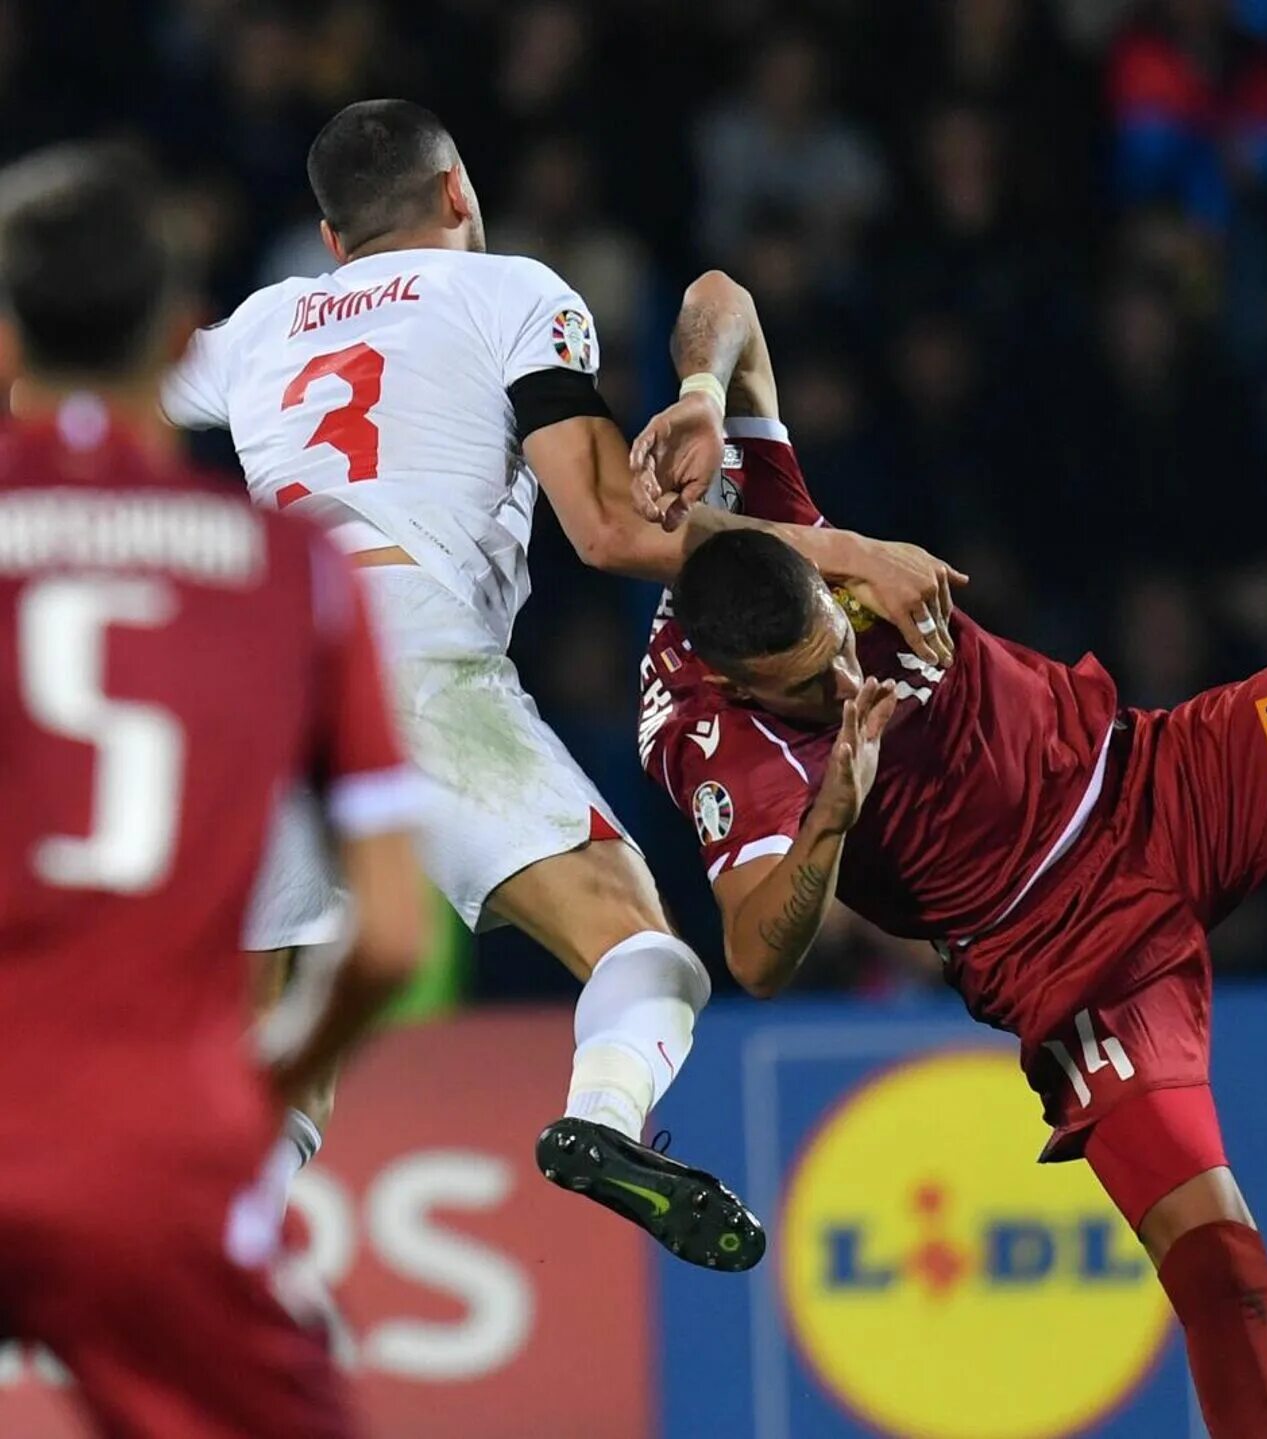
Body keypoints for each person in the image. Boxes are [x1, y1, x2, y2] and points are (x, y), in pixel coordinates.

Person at [632, 272, 1267, 1438]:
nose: (848, 676)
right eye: (811, 686)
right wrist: (835, 808)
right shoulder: (708, 733)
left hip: (1167, 778)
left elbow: (721, 298)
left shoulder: (774, 530)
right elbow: (755, 953)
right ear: (743, 687)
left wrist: (702, 397)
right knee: (1223, 1276)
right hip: (1076, 965)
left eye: (839, 641)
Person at [161, 99, 964, 1269]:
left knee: (280, 1060)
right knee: (643, 948)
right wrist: (854, 552)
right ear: (457, 198)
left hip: (244, 678)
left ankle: (179, 1265)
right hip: (405, 661)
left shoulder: (257, 325)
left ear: (332, 242)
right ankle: (603, 1118)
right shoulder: (515, 292)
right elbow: (606, 530)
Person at [0, 143, 424, 1439]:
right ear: (187, 335)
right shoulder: (295, 574)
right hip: (162, 1149)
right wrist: (262, 1101)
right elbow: (392, 938)